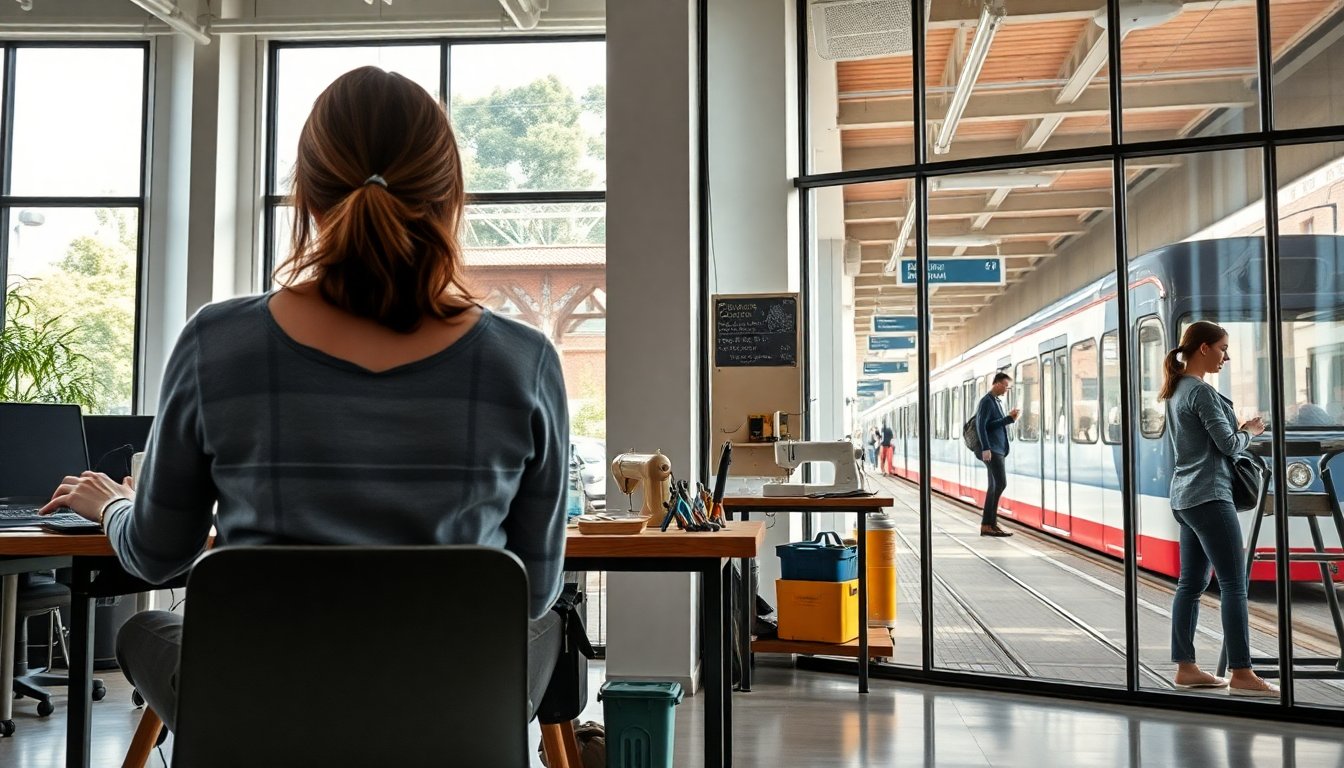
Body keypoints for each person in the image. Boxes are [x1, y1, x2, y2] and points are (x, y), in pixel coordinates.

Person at [39, 67, 569, 729]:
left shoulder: (216, 343)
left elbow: (157, 554)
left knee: (143, 632)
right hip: (441, 723)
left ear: (309, 196)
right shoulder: (523, 361)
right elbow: (533, 591)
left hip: (260, 721)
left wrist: (115, 506)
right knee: (545, 634)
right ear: (448, 196)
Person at [1160, 320, 1276, 696]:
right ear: (1204, 348)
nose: (1226, 357)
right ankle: (1242, 672)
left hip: (1185, 497)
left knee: (1191, 584)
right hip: (1210, 495)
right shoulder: (1201, 392)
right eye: (1223, 348)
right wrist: (1250, 431)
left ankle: (1186, 668)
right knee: (1233, 585)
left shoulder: (1177, 389)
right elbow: (1228, 445)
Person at [974, 372, 1019, 537]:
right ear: (997, 384)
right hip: (992, 450)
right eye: (1006, 386)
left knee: (994, 485)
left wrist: (1009, 419)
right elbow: (981, 425)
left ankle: (990, 524)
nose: (1006, 389)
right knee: (1000, 484)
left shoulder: (995, 401)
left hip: (997, 449)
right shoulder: (987, 401)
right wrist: (986, 448)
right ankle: (988, 524)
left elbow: (992, 425)